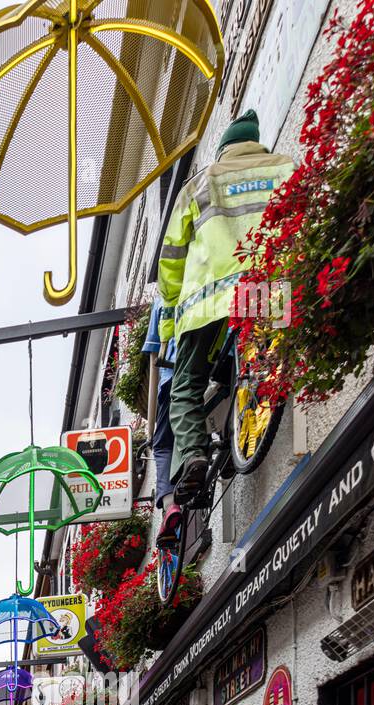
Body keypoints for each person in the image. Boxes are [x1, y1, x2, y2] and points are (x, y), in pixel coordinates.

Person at [157, 110, 294, 520]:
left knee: (186, 384)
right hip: (266, 288)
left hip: (208, 302)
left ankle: (196, 454)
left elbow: (171, 264)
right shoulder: (284, 167)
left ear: (222, 149)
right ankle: (258, 386)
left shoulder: (197, 185)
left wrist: (169, 323)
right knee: (267, 350)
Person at [140, 297, 180, 542]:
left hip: (173, 375)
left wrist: (149, 430)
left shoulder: (162, 300)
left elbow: (154, 361)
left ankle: (170, 505)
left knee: (163, 444)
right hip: (220, 359)